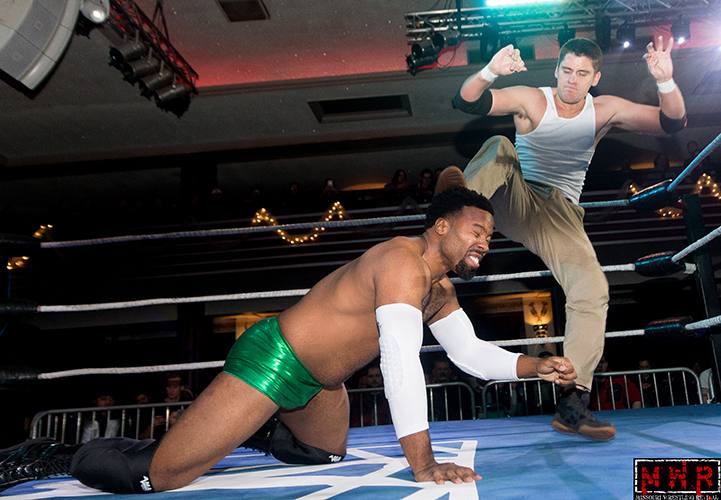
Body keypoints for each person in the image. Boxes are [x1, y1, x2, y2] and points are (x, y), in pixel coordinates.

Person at [0, 187, 577, 494]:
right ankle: (60, 455)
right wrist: (422, 465)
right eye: (478, 231)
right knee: (159, 478)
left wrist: (538, 366)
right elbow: (400, 362)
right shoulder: (402, 263)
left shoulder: (439, 289)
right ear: (441, 226)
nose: (485, 243)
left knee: (324, 455)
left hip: (321, 387)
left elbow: (469, 354)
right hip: (274, 360)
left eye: (490, 237)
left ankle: (252, 428)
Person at [449, 36, 686, 440]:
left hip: (560, 215)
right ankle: (448, 229)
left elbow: (672, 123)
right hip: (517, 195)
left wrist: (665, 81)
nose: (572, 80)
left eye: (582, 74)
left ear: (595, 78)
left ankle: (573, 402)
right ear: (556, 70)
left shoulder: (605, 110)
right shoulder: (532, 99)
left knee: (592, 288)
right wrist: (490, 70)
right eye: (567, 71)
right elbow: (467, 101)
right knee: (499, 146)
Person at [349, 361, 391, 427]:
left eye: (377, 376)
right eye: (371, 376)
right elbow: (354, 420)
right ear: (366, 378)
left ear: (382, 377)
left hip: (386, 430)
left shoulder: (389, 396)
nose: (374, 379)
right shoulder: (359, 398)